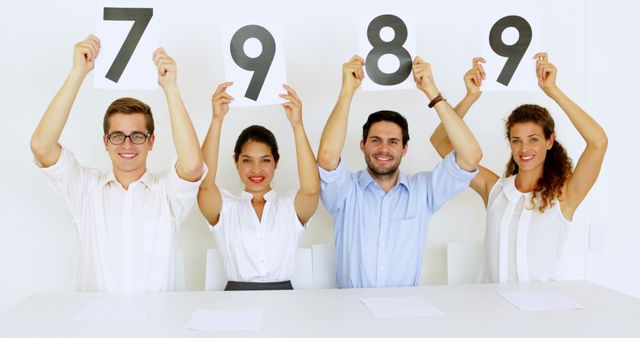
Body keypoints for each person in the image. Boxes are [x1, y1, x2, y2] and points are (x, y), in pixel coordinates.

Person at [30, 35, 205, 292]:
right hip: (99, 328)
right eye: (117, 136)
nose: (127, 144)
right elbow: (41, 146)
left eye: (137, 135)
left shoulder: (165, 192)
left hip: (156, 327)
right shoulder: (86, 190)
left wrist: (171, 88)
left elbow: (192, 166)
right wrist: (78, 73)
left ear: (151, 141)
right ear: (106, 141)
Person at [429, 53, 608, 282]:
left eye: (533, 139)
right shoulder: (494, 189)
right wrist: (470, 97)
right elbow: (440, 141)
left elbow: (598, 143)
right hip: (492, 311)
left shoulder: (565, 195)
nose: (524, 148)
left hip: (542, 313)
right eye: (516, 140)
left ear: (550, 141)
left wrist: (553, 91)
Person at [316, 55, 482, 288]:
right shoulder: (345, 190)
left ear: (404, 149)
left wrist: (432, 91)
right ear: (363, 145)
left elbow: (471, 156)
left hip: (406, 312)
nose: (384, 149)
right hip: (351, 313)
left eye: (393, 141)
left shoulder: (424, 190)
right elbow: (326, 156)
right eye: (375, 140)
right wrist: (348, 91)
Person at [197, 82, 320, 291]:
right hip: (235, 302)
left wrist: (297, 126)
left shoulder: (289, 206)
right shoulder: (226, 206)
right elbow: (204, 182)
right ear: (236, 162)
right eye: (247, 160)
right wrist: (217, 120)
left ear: (276, 163)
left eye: (265, 160)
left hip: (284, 302)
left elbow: (311, 189)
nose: (256, 169)